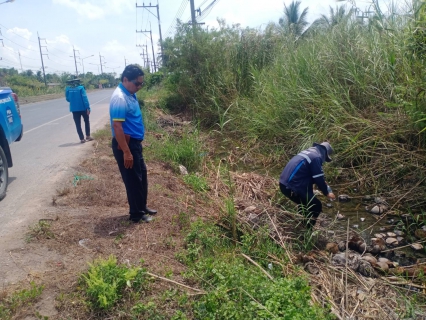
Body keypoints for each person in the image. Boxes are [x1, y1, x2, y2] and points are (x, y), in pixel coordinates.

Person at [109, 64, 157, 223]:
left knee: (141, 176)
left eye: (141, 83)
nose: (139, 86)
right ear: (125, 80)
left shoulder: (130, 93)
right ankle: (136, 214)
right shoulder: (120, 98)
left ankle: (142, 206)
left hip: (135, 144)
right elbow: (117, 126)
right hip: (127, 145)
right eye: (137, 83)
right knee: (133, 180)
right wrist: (126, 152)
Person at [279, 142, 336, 228]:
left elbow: (306, 173)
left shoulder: (308, 152)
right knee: (315, 206)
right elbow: (319, 179)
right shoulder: (316, 157)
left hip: (284, 183)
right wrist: (327, 192)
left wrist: (319, 183)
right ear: (325, 153)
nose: (324, 161)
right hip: (291, 186)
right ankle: (307, 229)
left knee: (305, 203)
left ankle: (301, 225)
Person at [65, 79, 94, 143]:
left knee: (78, 124)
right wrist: (88, 108)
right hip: (83, 108)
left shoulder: (68, 89)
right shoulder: (81, 88)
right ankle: (88, 136)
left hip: (74, 109)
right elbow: (85, 98)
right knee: (86, 121)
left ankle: (82, 139)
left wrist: (73, 100)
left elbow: (67, 99)